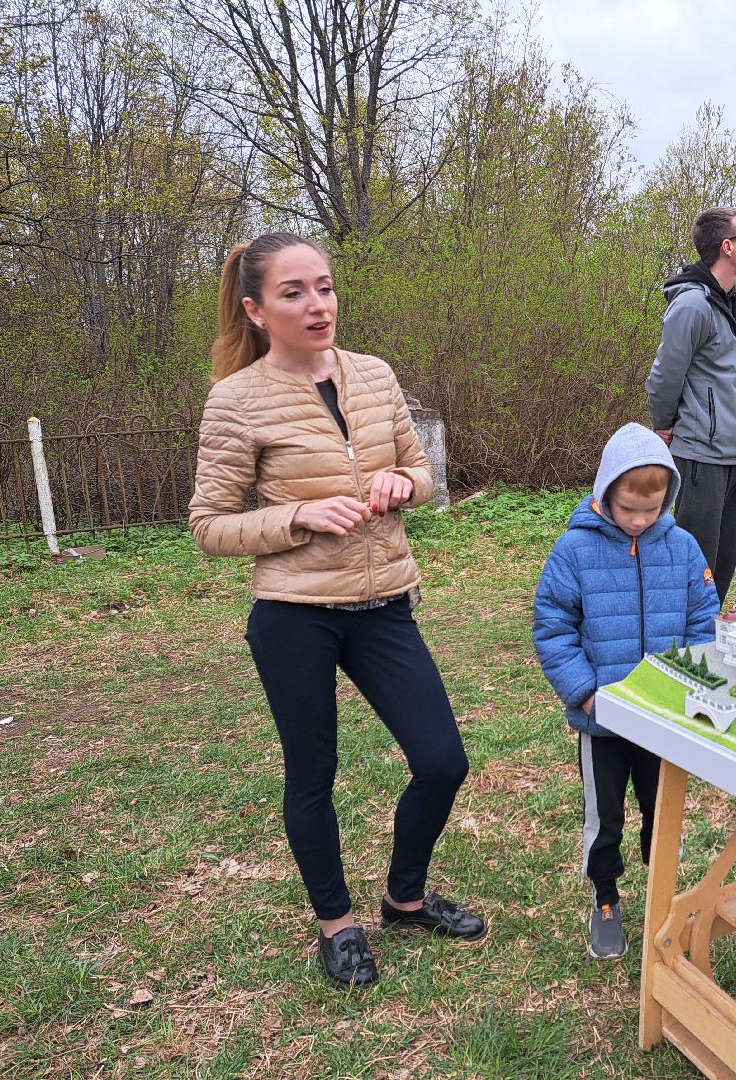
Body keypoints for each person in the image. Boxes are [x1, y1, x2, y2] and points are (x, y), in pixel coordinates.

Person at [189, 232, 485, 990]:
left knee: (443, 760)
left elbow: (420, 470)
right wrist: (298, 517)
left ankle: (405, 898)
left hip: (384, 601)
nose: (317, 304)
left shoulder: (375, 375)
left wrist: (401, 486)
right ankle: (337, 924)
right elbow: (209, 526)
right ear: (256, 310)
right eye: (294, 292)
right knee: (312, 771)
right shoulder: (236, 400)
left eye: (323, 286)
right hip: (295, 615)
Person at [533, 423, 720, 959]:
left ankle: (664, 895)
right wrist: (585, 692)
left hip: (663, 721)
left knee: (663, 812)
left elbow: (703, 618)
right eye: (627, 509)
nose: (639, 521)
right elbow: (553, 627)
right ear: (605, 492)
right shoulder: (574, 551)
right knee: (605, 817)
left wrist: (690, 680)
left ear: (668, 498)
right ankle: (607, 896)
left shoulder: (682, 548)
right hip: (604, 722)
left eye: (651, 510)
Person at [646, 205, 736, 606]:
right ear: (727, 247)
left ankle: (704, 642)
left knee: (722, 565)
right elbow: (663, 377)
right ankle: (675, 650)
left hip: (730, 459)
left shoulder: (732, 304)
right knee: (694, 567)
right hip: (698, 457)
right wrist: (664, 424)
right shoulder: (692, 305)